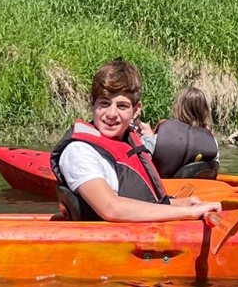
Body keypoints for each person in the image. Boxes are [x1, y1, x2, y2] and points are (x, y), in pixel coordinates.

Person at [50, 59, 222, 222]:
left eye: (122, 106)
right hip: (105, 245)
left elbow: (146, 202)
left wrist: (182, 203)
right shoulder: (79, 151)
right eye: (104, 103)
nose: (111, 114)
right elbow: (111, 208)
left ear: (136, 109)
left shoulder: (129, 142)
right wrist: (188, 213)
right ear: (92, 103)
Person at [147, 85, 221, 180]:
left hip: (165, 188)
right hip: (199, 188)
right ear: (204, 111)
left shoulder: (160, 136)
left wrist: (147, 137)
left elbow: (143, 162)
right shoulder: (212, 140)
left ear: (177, 108)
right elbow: (215, 168)